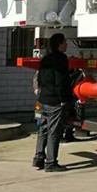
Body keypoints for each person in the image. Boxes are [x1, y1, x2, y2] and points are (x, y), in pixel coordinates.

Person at [33, 33, 74, 172]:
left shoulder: (46, 58)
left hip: (43, 99)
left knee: (43, 129)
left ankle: (38, 158)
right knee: (54, 132)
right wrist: (63, 100)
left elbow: (40, 77)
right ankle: (51, 163)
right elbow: (60, 81)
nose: (66, 44)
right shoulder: (61, 59)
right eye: (65, 42)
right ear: (59, 44)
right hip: (54, 101)